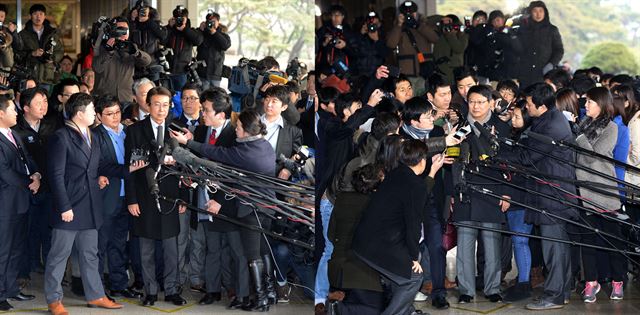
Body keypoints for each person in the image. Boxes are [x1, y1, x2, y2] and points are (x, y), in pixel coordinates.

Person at [171, 110, 276, 311]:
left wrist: (188, 144)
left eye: (237, 128)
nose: (235, 130)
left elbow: (217, 154)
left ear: (245, 131)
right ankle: (268, 292)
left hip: (252, 210)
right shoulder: (263, 145)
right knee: (263, 252)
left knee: (253, 255)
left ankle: (262, 297)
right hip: (266, 207)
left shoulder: (245, 152)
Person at [44, 93, 127, 314]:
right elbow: (56, 175)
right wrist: (64, 207)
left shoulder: (90, 134)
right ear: (80, 113)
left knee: (90, 254)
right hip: (69, 207)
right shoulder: (61, 137)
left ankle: (96, 295)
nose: (94, 114)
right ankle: (54, 300)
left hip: (90, 205)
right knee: (59, 255)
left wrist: (129, 169)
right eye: (92, 110)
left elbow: (100, 166)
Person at [502, 83, 578, 310]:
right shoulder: (548, 119)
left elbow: (527, 157)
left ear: (541, 106)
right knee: (559, 246)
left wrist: (500, 152)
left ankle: (554, 295)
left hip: (552, 194)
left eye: (528, 103)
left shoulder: (550, 125)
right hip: (552, 192)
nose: (526, 107)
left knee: (553, 246)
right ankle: (561, 292)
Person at [352, 139, 432, 315]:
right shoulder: (416, 185)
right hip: (382, 244)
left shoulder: (396, 173)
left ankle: (407, 312)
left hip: (366, 240)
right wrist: (414, 257)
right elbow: (413, 224)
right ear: (422, 161)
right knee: (414, 277)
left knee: (400, 278)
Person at [124, 87, 187, 307]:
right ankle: (149, 291)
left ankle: (171, 290)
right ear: (148, 105)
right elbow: (129, 167)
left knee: (171, 248)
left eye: (165, 104)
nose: (161, 109)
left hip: (171, 197)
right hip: (144, 196)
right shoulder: (135, 131)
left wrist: (183, 198)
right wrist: (131, 199)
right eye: (157, 104)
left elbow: (185, 169)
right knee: (146, 248)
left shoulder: (177, 130)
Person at [452, 85, 510, 304]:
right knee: (465, 245)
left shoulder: (501, 128)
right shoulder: (460, 127)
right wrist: (453, 192)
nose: (475, 106)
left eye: (480, 102)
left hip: (492, 192)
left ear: (490, 103)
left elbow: (508, 165)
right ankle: (466, 290)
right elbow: (454, 163)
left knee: (492, 243)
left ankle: (492, 287)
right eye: (472, 102)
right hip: (465, 192)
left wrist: (506, 193)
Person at [187, 88, 244, 307]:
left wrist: (219, 199)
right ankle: (212, 290)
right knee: (211, 247)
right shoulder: (201, 132)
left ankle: (234, 289)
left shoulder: (235, 135)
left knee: (232, 249)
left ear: (221, 114)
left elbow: (235, 174)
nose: (203, 113)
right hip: (203, 197)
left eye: (207, 110)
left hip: (227, 202)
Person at [576, 87, 625, 302]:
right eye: (585, 102)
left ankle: (618, 281)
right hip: (582, 191)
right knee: (588, 241)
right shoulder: (583, 124)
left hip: (604, 192)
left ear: (602, 104)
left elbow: (593, 156)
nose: (586, 105)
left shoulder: (611, 127)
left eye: (590, 102)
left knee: (613, 240)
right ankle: (591, 282)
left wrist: (577, 136)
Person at [92, 94, 144, 299]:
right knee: (100, 246)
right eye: (109, 114)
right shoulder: (95, 135)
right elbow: (100, 164)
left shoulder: (128, 131)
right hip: (107, 197)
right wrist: (127, 169)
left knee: (120, 244)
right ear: (98, 115)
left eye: (117, 112)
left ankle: (118, 284)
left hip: (127, 197)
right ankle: (96, 290)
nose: (115, 117)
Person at [11, 88, 59, 281]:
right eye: (39, 103)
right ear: (25, 107)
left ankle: (50, 272)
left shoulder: (52, 126)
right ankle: (23, 273)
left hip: (49, 187)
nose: (44, 106)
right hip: (27, 189)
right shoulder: (16, 130)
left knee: (48, 231)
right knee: (25, 231)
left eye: (46, 101)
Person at [0, 95, 39, 311]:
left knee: (16, 248)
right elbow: (5, 173)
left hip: (20, 200)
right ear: (0, 113)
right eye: (12, 109)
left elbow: (28, 159)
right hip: (5, 203)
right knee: (3, 249)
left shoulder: (14, 133)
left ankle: (11, 288)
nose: (16, 113)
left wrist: (37, 175)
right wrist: (28, 182)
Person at [502, 101, 534, 302]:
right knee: (518, 241)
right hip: (515, 195)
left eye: (517, 117)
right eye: (512, 116)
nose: (513, 120)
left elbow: (521, 171)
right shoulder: (515, 136)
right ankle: (523, 281)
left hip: (521, 196)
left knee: (520, 240)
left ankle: (524, 283)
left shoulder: (528, 140)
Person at [93, 16, 152, 105]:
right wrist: (109, 52)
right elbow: (97, 68)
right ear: (112, 31)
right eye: (120, 30)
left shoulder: (131, 47)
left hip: (126, 98)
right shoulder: (102, 47)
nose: (123, 33)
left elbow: (147, 61)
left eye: (126, 31)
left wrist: (136, 53)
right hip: (105, 99)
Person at [386, 1, 438, 92]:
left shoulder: (424, 25)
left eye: (412, 13)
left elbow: (435, 38)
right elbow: (391, 44)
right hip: (407, 71)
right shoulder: (398, 27)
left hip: (424, 69)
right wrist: (399, 25)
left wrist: (418, 25)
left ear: (416, 13)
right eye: (406, 14)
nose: (409, 16)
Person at [516, 1, 564, 88]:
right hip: (524, 73)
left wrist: (551, 65)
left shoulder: (552, 30)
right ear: (530, 13)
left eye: (541, 11)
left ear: (545, 12)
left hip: (544, 73)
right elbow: (516, 49)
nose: (538, 14)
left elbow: (559, 50)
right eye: (535, 11)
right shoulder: (522, 29)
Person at [17, 4, 64, 90]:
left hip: (47, 76)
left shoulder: (52, 33)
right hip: (29, 76)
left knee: (44, 101)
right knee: (29, 101)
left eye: (41, 14)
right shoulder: (23, 34)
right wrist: (32, 53)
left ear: (45, 16)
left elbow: (60, 51)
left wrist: (52, 58)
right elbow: (17, 53)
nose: (38, 17)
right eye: (35, 14)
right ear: (30, 16)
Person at [165, 5, 203, 91]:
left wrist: (184, 29)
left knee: (180, 97)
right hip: (167, 69)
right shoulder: (170, 30)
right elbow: (162, 40)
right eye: (177, 18)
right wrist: (169, 27)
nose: (179, 20)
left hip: (182, 71)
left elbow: (198, 41)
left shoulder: (190, 31)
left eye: (182, 18)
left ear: (186, 18)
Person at [196, 10, 231, 90]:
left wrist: (214, 32)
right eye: (209, 21)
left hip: (215, 73)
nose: (211, 23)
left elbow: (226, 45)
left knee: (214, 98)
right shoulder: (202, 33)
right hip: (202, 73)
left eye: (214, 21)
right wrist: (200, 29)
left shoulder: (223, 35)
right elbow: (195, 41)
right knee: (202, 97)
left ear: (218, 22)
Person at [432, 15, 469, 84]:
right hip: (440, 70)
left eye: (453, 26)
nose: (450, 28)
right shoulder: (440, 33)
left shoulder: (462, 35)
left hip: (454, 71)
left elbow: (459, 48)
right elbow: (427, 21)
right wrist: (442, 19)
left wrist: (450, 34)